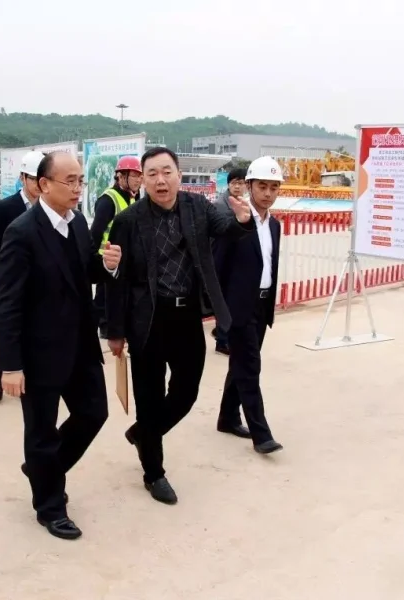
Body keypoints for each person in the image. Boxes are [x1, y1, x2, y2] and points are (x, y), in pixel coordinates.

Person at [105, 147, 254, 505]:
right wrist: (115, 331)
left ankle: (143, 434)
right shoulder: (128, 220)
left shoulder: (197, 207)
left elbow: (225, 228)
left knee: (186, 393)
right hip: (147, 320)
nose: (160, 180)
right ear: (142, 179)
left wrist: (242, 220)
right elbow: (117, 281)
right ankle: (154, 473)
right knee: (149, 398)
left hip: (187, 318)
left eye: (166, 172)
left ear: (179, 174)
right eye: (152, 173)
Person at [0, 151, 120, 540]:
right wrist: (10, 365)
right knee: (41, 433)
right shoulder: (21, 232)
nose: (78, 188)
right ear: (44, 184)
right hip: (39, 354)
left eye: (81, 180)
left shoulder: (77, 222)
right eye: (71, 181)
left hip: (80, 346)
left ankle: (41, 470)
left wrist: (107, 265)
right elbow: (7, 304)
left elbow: (82, 272)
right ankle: (50, 507)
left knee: (94, 414)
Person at [213, 157, 284, 454]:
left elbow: (270, 265)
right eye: (262, 186)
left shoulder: (275, 225)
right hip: (238, 308)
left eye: (273, 187)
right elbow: (218, 265)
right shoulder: (236, 222)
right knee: (250, 367)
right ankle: (261, 434)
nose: (267, 193)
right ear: (249, 186)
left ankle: (227, 418)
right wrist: (221, 312)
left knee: (240, 365)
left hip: (261, 306)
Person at [0, 150, 44, 401]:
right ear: (22, 178)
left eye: (42, 179)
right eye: (33, 179)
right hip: (11, 283)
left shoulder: (51, 208)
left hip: (40, 283)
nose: (38, 184)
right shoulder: (5, 209)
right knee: (11, 329)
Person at [89, 155, 142, 338]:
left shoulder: (134, 197)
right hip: (107, 260)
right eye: (133, 175)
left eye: (139, 176)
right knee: (103, 300)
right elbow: (96, 232)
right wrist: (94, 260)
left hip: (125, 261)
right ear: (120, 176)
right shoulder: (108, 200)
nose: (138, 180)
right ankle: (102, 331)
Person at [210, 168, 248, 355]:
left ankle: (223, 334)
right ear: (229, 184)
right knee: (224, 300)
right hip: (222, 258)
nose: (237, 186)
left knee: (233, 299)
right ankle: (222, 341)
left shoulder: (244, 204)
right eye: (234, 183)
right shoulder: (220, 206)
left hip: (236, 259)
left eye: (241, 183)